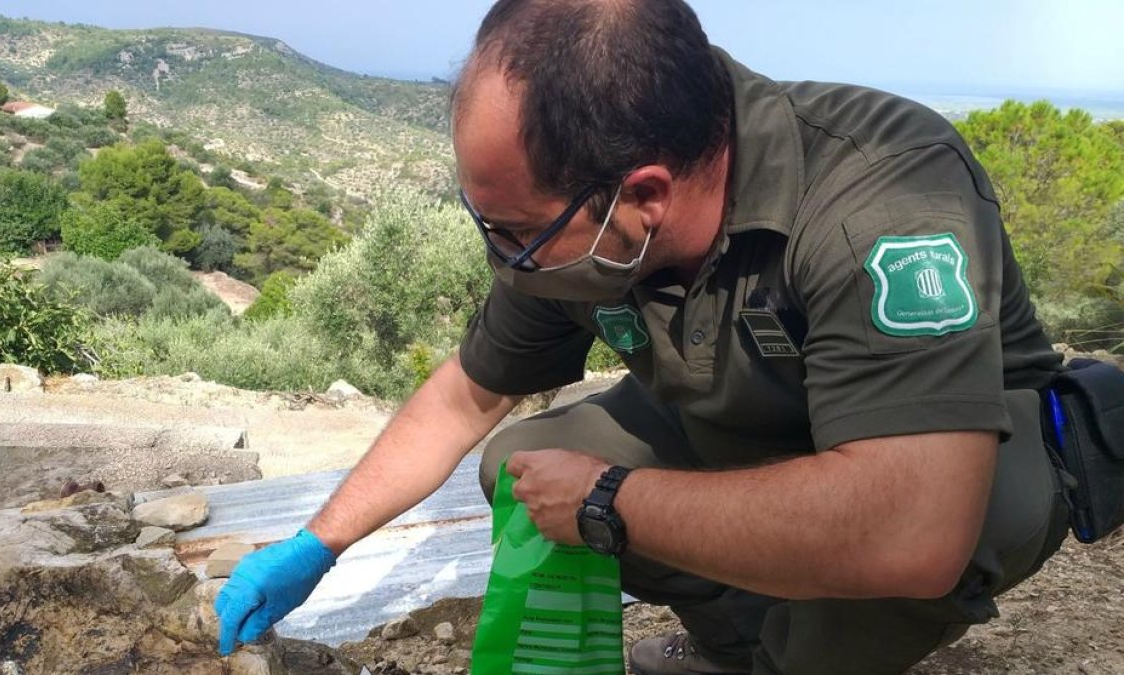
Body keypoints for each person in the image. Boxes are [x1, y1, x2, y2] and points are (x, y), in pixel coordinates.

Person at [215, 1, 1071, 672]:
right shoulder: (574, 231)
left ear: (645, 195)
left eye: (514, 230)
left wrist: (606, 500)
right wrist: (316, 543)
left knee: (929, 529)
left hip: (954, 456)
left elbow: (911, 529)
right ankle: (737, 646)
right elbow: (463, 397)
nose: (501, 253)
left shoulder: (879, 190)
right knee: (517, 465)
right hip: (757, 428)